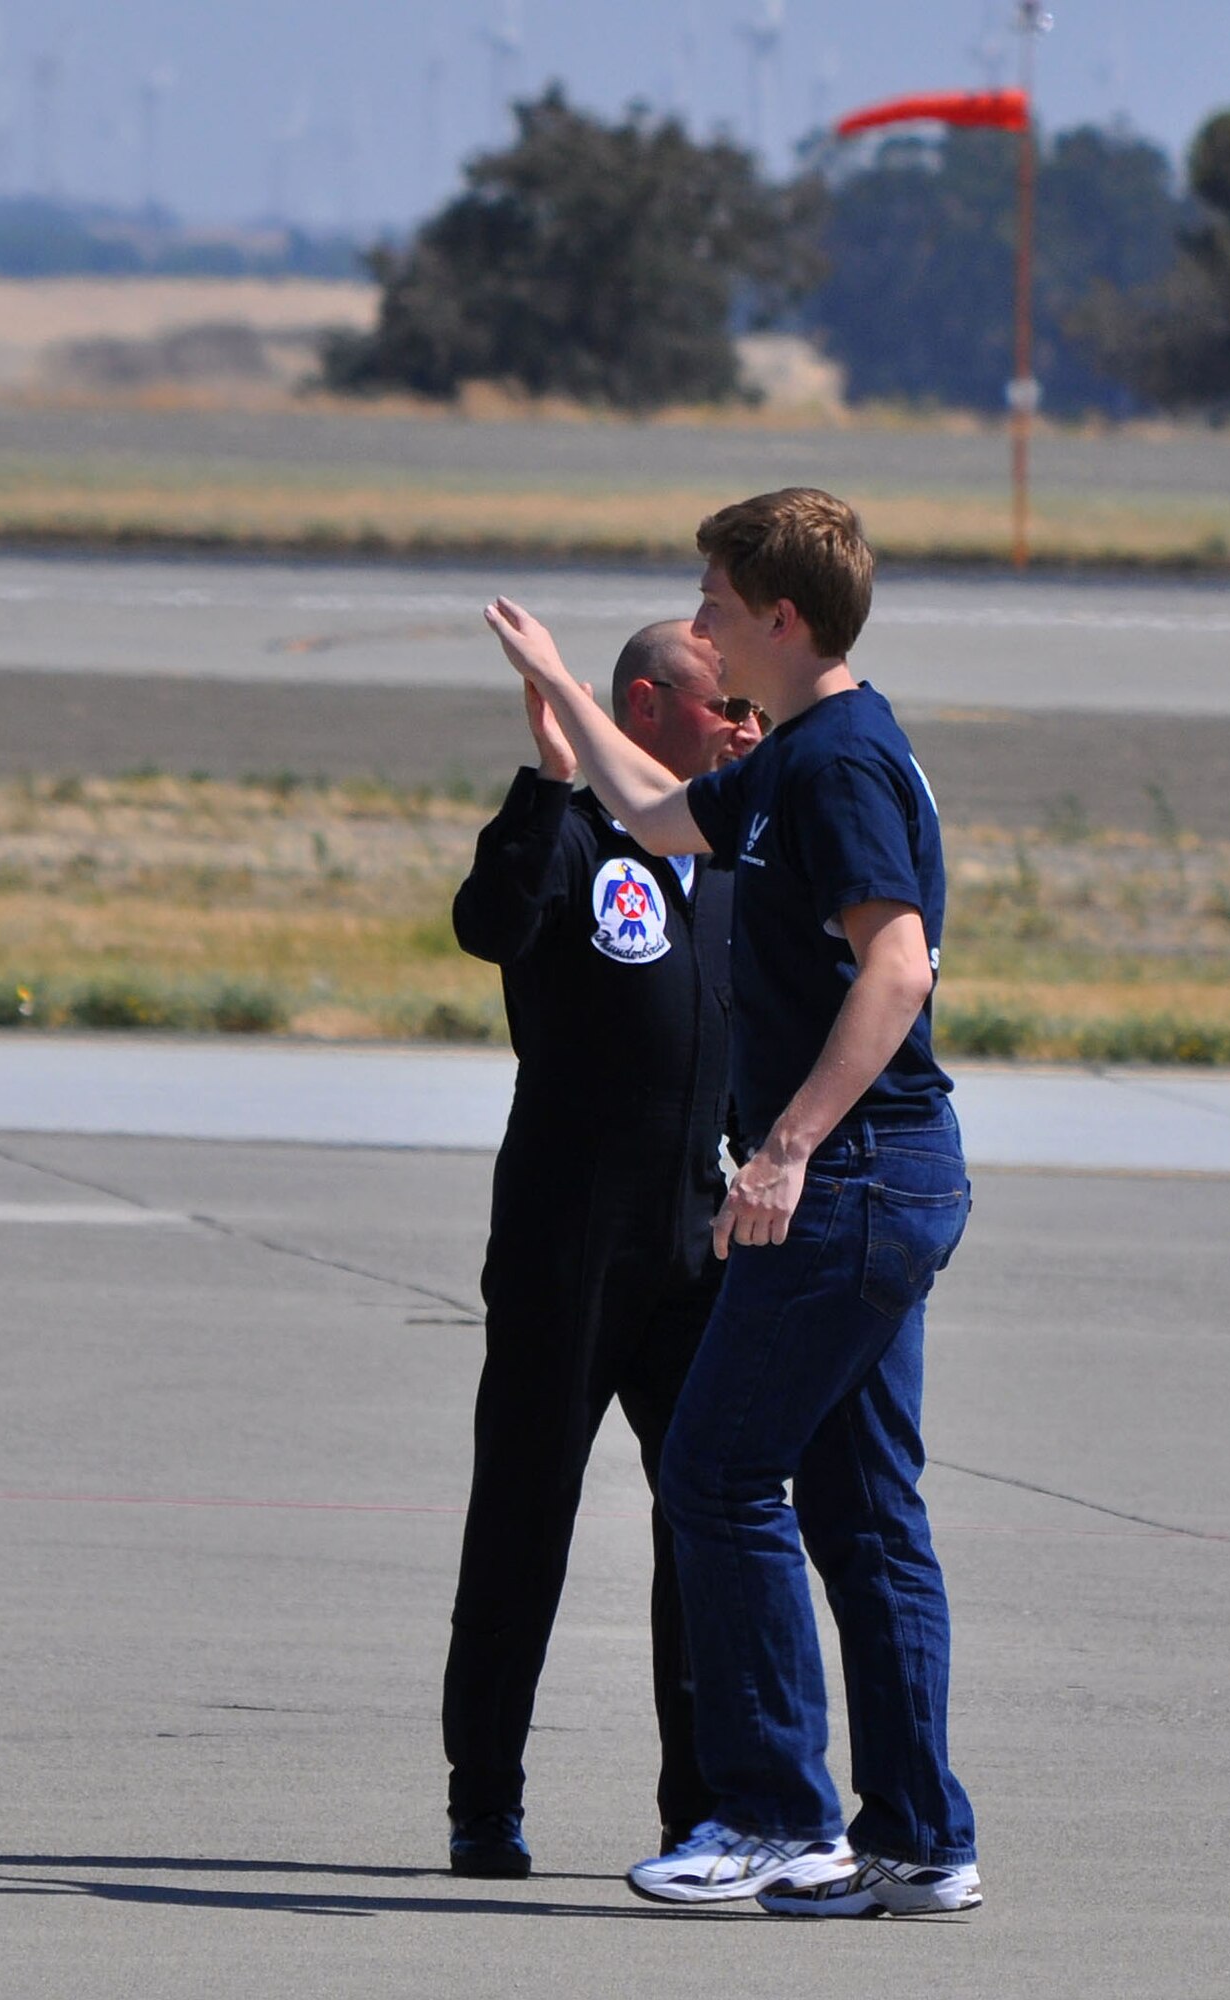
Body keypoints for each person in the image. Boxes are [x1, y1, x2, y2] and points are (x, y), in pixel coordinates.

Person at [482, 487, 980, 1918]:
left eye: (709, 598)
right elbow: (653, 809)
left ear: (777, 617)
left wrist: (784, 1151)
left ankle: (773, 1816)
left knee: (713, 1475)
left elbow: (898, 968)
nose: (696, 619)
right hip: (881, 1175)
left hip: (855, 1176)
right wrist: (565, 687)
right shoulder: (802, 755)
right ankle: (915, 1841)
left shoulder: (836, 767)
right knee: (863, 1512)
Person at [443, 618, 766, 1879]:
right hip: (567, 1238)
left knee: (705, 1520)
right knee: (524, 1514)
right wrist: (550, 779)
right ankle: (485, 1796)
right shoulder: (570, 832)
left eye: (752, 712)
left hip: (695, 1240)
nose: (746, 727)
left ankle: (700, 1806)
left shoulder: (729, 847)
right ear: (644, 705)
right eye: (723, 707)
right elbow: (488, 924)